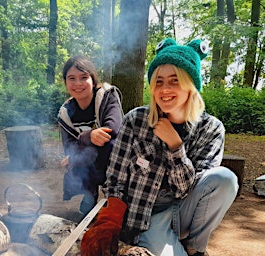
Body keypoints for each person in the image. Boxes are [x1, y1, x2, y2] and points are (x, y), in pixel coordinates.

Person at [81, 38, 238, 256]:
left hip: (184, 209)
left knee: (225, 179)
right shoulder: (136, 120)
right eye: (159, 81)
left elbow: (187, 190)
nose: (164, 90)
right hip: (145, 213)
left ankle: (195, 248)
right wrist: (111, 218)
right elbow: (115, 176)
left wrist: (175, 146)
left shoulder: (211, 129)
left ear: (191, 85)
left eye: (175, 81)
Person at [57, 56, 123, 214]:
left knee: (108, 144)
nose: (78, 84)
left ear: (93, 80)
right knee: (75, 157)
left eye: (84, 77)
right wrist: (89, 137)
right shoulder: (66, 112)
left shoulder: (107, 96)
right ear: (65, 83)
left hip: (115, 157)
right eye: (71, 78)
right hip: (89, 159)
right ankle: (89, 193)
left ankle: (116, 198)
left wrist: (85, 139)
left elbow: (113, 129)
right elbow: (69, 148)